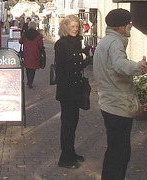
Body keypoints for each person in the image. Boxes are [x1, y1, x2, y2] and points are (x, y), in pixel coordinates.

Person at [93, 8, 147, 180]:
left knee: (117, 150)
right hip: (117, 105)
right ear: (121, 26)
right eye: (129, 23)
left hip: (110, 103)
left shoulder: (106, 41)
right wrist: (139, 67)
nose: (131, 26)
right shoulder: (115, 43)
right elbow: (120, 65)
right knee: (119, 152)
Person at [54, 14, 92, 169]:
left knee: (74, 122)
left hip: (77, 87)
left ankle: (71, 152)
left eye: (77, 27)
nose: (75, 30)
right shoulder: (61, 44)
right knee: (68, 124)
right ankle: (65, 158)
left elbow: (78, 65)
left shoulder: (77, 42)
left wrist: (85, 60)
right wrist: (84, 61)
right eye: (72, 27)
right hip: (67, 89)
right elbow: (61, 69)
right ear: (65, 27)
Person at [19, 21, 44, 89]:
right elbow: (41, 45)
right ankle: (30, 82)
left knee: (27, 67)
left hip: (26, 52)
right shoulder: (38, 35)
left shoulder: (25, 34)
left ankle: (28, 80)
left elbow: (20, 41)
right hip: (35, 53)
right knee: (33, 68)